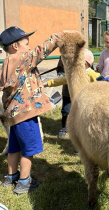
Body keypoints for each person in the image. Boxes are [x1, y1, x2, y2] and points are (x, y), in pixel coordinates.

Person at [0, 26, 68, 194]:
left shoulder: (7, 62)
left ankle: (11, 177)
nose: (29, 47)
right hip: (26, 115)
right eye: (26, 43)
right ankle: (24, 183)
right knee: (28, 151)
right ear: (15, 46)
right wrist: (59, 35)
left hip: (13, 115)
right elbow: (41, 50)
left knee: (14, 148)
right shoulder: (22, 58)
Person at [43, 49, 99, 138]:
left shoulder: (92, 74)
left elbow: (100, 84)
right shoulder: (74, 73)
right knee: (66, 111)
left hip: (86, 102)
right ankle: (66, 128)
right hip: (71, 96)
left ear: (84, 63)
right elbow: (62, 80)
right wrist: (46, 84)